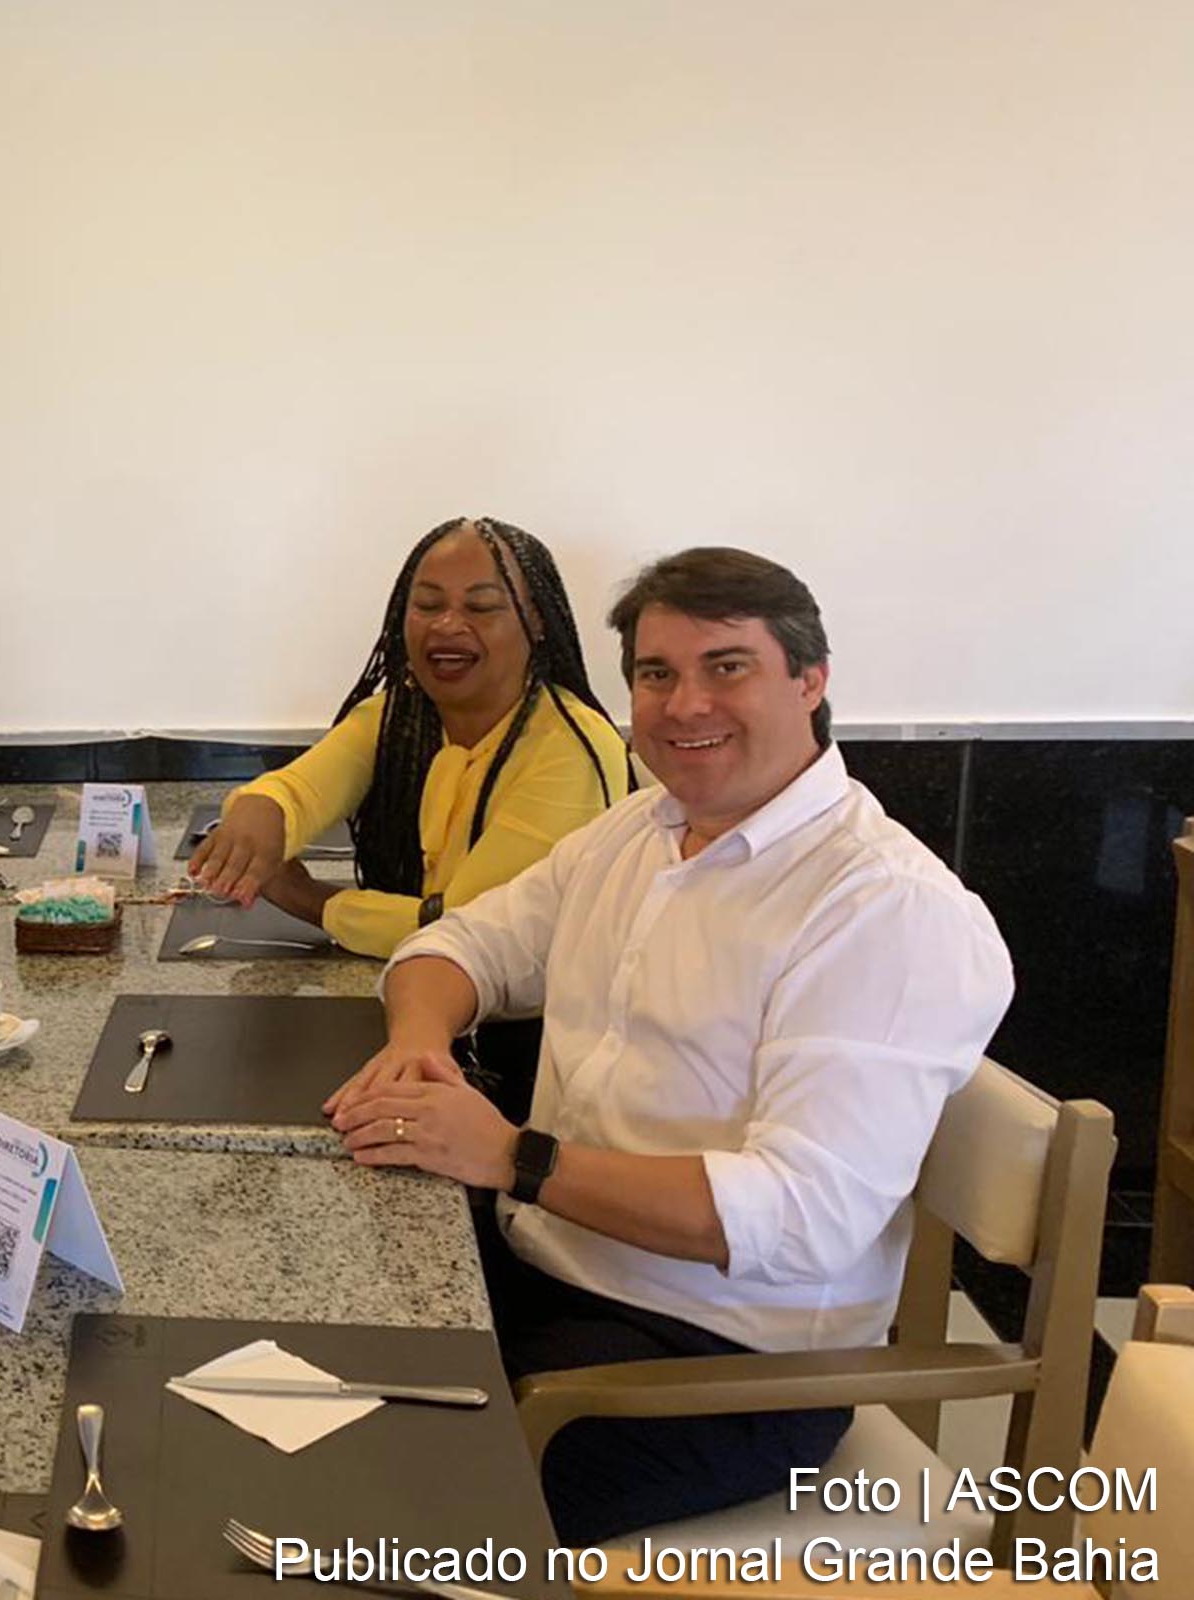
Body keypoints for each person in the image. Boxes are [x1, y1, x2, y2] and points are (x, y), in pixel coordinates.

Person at [323, 547, 1012, 1544]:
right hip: (547, 1279)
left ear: (811, 681)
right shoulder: (641, 830)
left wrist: (518, 1155)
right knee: (285, 1383)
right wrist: (420, 1046)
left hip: (716, 1369)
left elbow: (800, 1216)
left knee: (364, 1510)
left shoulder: (884, 910)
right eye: (656, 674)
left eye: (727, 666)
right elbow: (465, 942)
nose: (686, 703)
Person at [191, 517, 627, 960]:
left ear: (537, 621)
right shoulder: (397, 717)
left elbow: (475, 926)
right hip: (424, 987)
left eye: (481, 607)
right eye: (427, 605)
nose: (447, 624)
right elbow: (299, 790)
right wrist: (259, 810)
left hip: (539, 1018)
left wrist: (304, 896)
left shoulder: (574, 748)